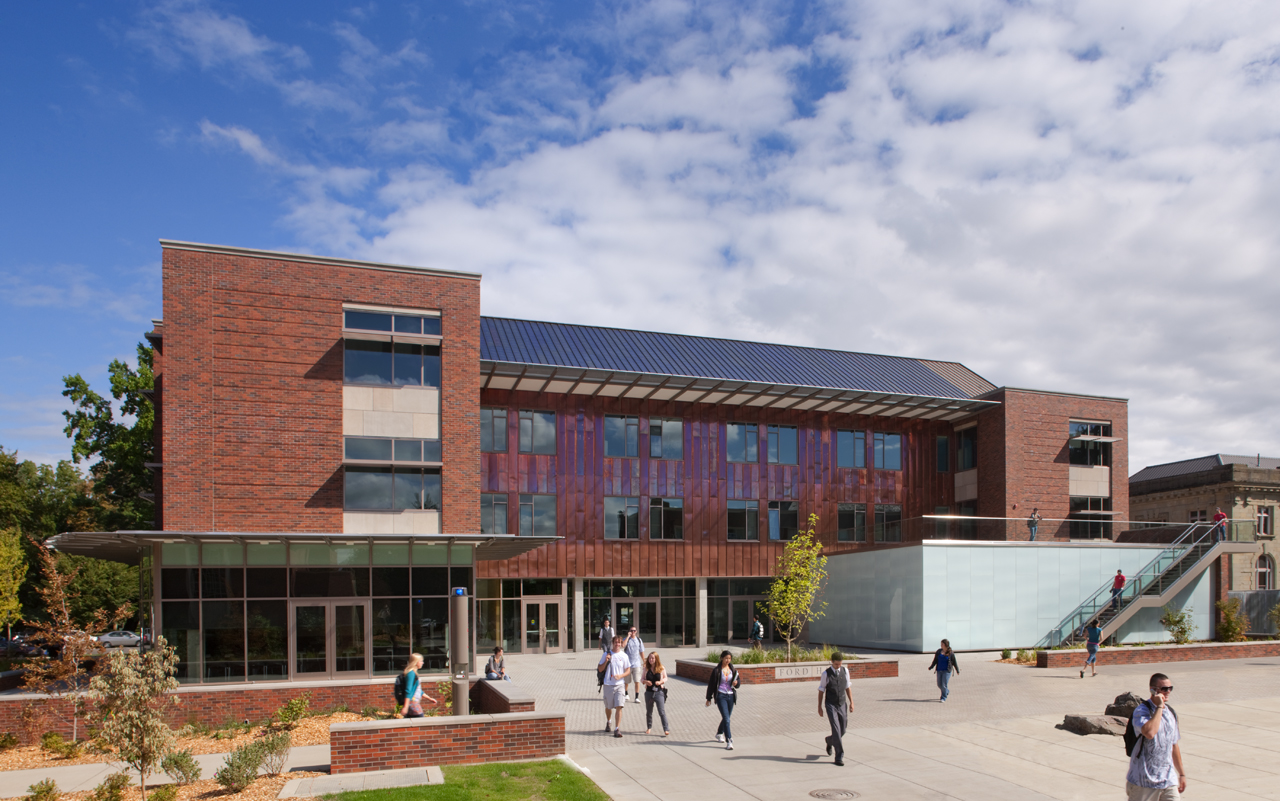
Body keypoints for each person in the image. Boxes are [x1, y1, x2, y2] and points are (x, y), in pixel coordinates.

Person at [1126, 672, 1185, 799]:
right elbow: (1149, 733)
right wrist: (1159, 707)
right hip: (1143, 782)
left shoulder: (1170, 713)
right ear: (1153, 690)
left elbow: (1174, 745)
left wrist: (1181, 774)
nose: (1168, 691)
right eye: (1164, 689)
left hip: (1168, 780)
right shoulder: (1141, 711)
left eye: (1170, 688)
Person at [818, 651, 854, 766]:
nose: (838, 666)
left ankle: (829, 740)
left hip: (842, 703)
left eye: (840, 664)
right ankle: (839, 757)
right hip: (830, 704)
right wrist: (819, 706)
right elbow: (821, 690)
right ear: (832, 662)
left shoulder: (845, 671)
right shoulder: (826, 674)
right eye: (836, 664)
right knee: (836, 729)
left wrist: (852, 702)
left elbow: (847, 687)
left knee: (843, 729)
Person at [704, 650, 740, 750]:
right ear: (722, 658)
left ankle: (719, 733)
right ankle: (729, 741)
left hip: (731, 696)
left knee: (726, 718)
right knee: (727, 719)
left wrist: (736, 683)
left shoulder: (733, 669)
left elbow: (738, 682)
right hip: (721, 695)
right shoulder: (717, 670)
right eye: (726, 658)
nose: (728, 660)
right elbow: (711, 685)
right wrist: (708, 698)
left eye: (729, 658)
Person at [597, 635, 631, 737]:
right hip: (608, 684)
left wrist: (621, 675)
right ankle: (609, 721)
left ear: (621, 644)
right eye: (616, 642)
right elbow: (600, 669)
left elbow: (628, 670)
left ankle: (617, 729)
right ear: (613, 643)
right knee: (608, 707)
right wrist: (606, 660)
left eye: (619, 642)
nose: (617, 644)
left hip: (620, 685)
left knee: (619, 706)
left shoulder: (624, 656)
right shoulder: (606, 654)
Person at [396, 652, 437, 718]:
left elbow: (417, 690)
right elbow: (408, 690)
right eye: (421, 661)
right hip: (412, 703)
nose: (422, 663)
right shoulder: (411, 673)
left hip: (413, 702)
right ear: (416, 662)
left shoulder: (413, 673)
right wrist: (406, 707)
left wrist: (429, 698)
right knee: (421, 722)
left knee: (413, 724)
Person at [641, 651, 671, 736]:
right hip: (649, 692)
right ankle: (649, 727)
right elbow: (642, 679)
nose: (650, 660)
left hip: (659, 692)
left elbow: (665, 678)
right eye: (649, 658)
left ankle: (666, 729)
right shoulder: (646, 668)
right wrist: (645, 681)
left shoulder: (661, 668)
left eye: (652, 658)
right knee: (649, 711)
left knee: (661, 711)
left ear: (656, 659)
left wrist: (661, 682)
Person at [623, 626, 646, 702]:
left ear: (636, 631)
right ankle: (626, 694)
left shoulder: (639, 640)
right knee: (626, 681)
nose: (633, 632)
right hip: (628, 664)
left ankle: (636, 697)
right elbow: (623, 645)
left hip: (637, 664)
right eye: (631, 630)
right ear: (629, 631)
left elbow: (641, 651)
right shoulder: (627, 639)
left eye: (634, 630)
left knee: (637, 680)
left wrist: (644, 661)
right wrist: (628, 636)